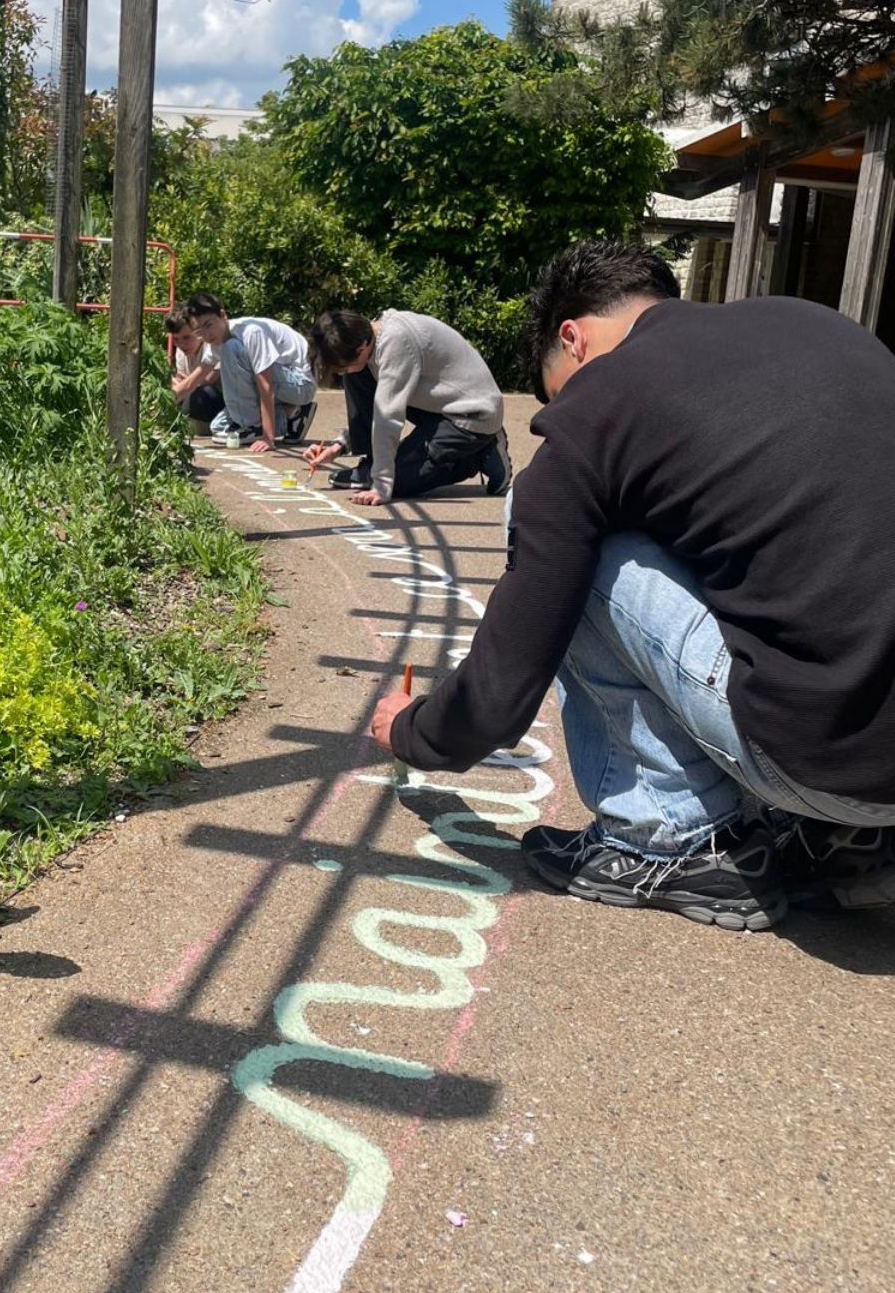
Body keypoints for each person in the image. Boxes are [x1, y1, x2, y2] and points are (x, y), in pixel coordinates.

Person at [371, 240, 895, 932]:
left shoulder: (598, 409)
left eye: (558, 388)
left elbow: (504, 688)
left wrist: (409, 730)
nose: (562, 413)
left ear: (573, 337)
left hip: (828, 761)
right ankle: (842, 840)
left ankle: (665, 837)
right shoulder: (814, 324)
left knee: (572, 538)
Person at [302, 308, 512, 507]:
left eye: (343, 365)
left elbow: (387, 417)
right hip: (439, 404)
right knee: (357, 375)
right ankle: (373, 465)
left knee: (399, 482)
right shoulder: (371, 339)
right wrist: (338, 446)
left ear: (362, 345)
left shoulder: (396, 343)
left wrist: (381, 485)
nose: (342, 372)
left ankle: (481, 450)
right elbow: (378, 406)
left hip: (473, 414)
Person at [182, 292, 318, 454]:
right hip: (280, 386)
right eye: (198, 331)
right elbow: (192, 382)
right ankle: (293, 415)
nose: (206, 334)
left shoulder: (251, 332)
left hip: (300, 384)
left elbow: (265, 384)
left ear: (223, 315)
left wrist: (268, 437)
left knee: (232, 348)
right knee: (218, 428)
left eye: (208, 325)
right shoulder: (214, 344)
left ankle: (256, 426)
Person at [165, 304, 224, 428]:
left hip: (222, 399)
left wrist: (180, 386)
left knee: (202, 396)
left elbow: (207, 380)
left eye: (186, 337)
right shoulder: (181, 352)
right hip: (194, 396)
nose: (181, 344)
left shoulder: (213, 346)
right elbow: (182, 380)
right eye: (176, 339)